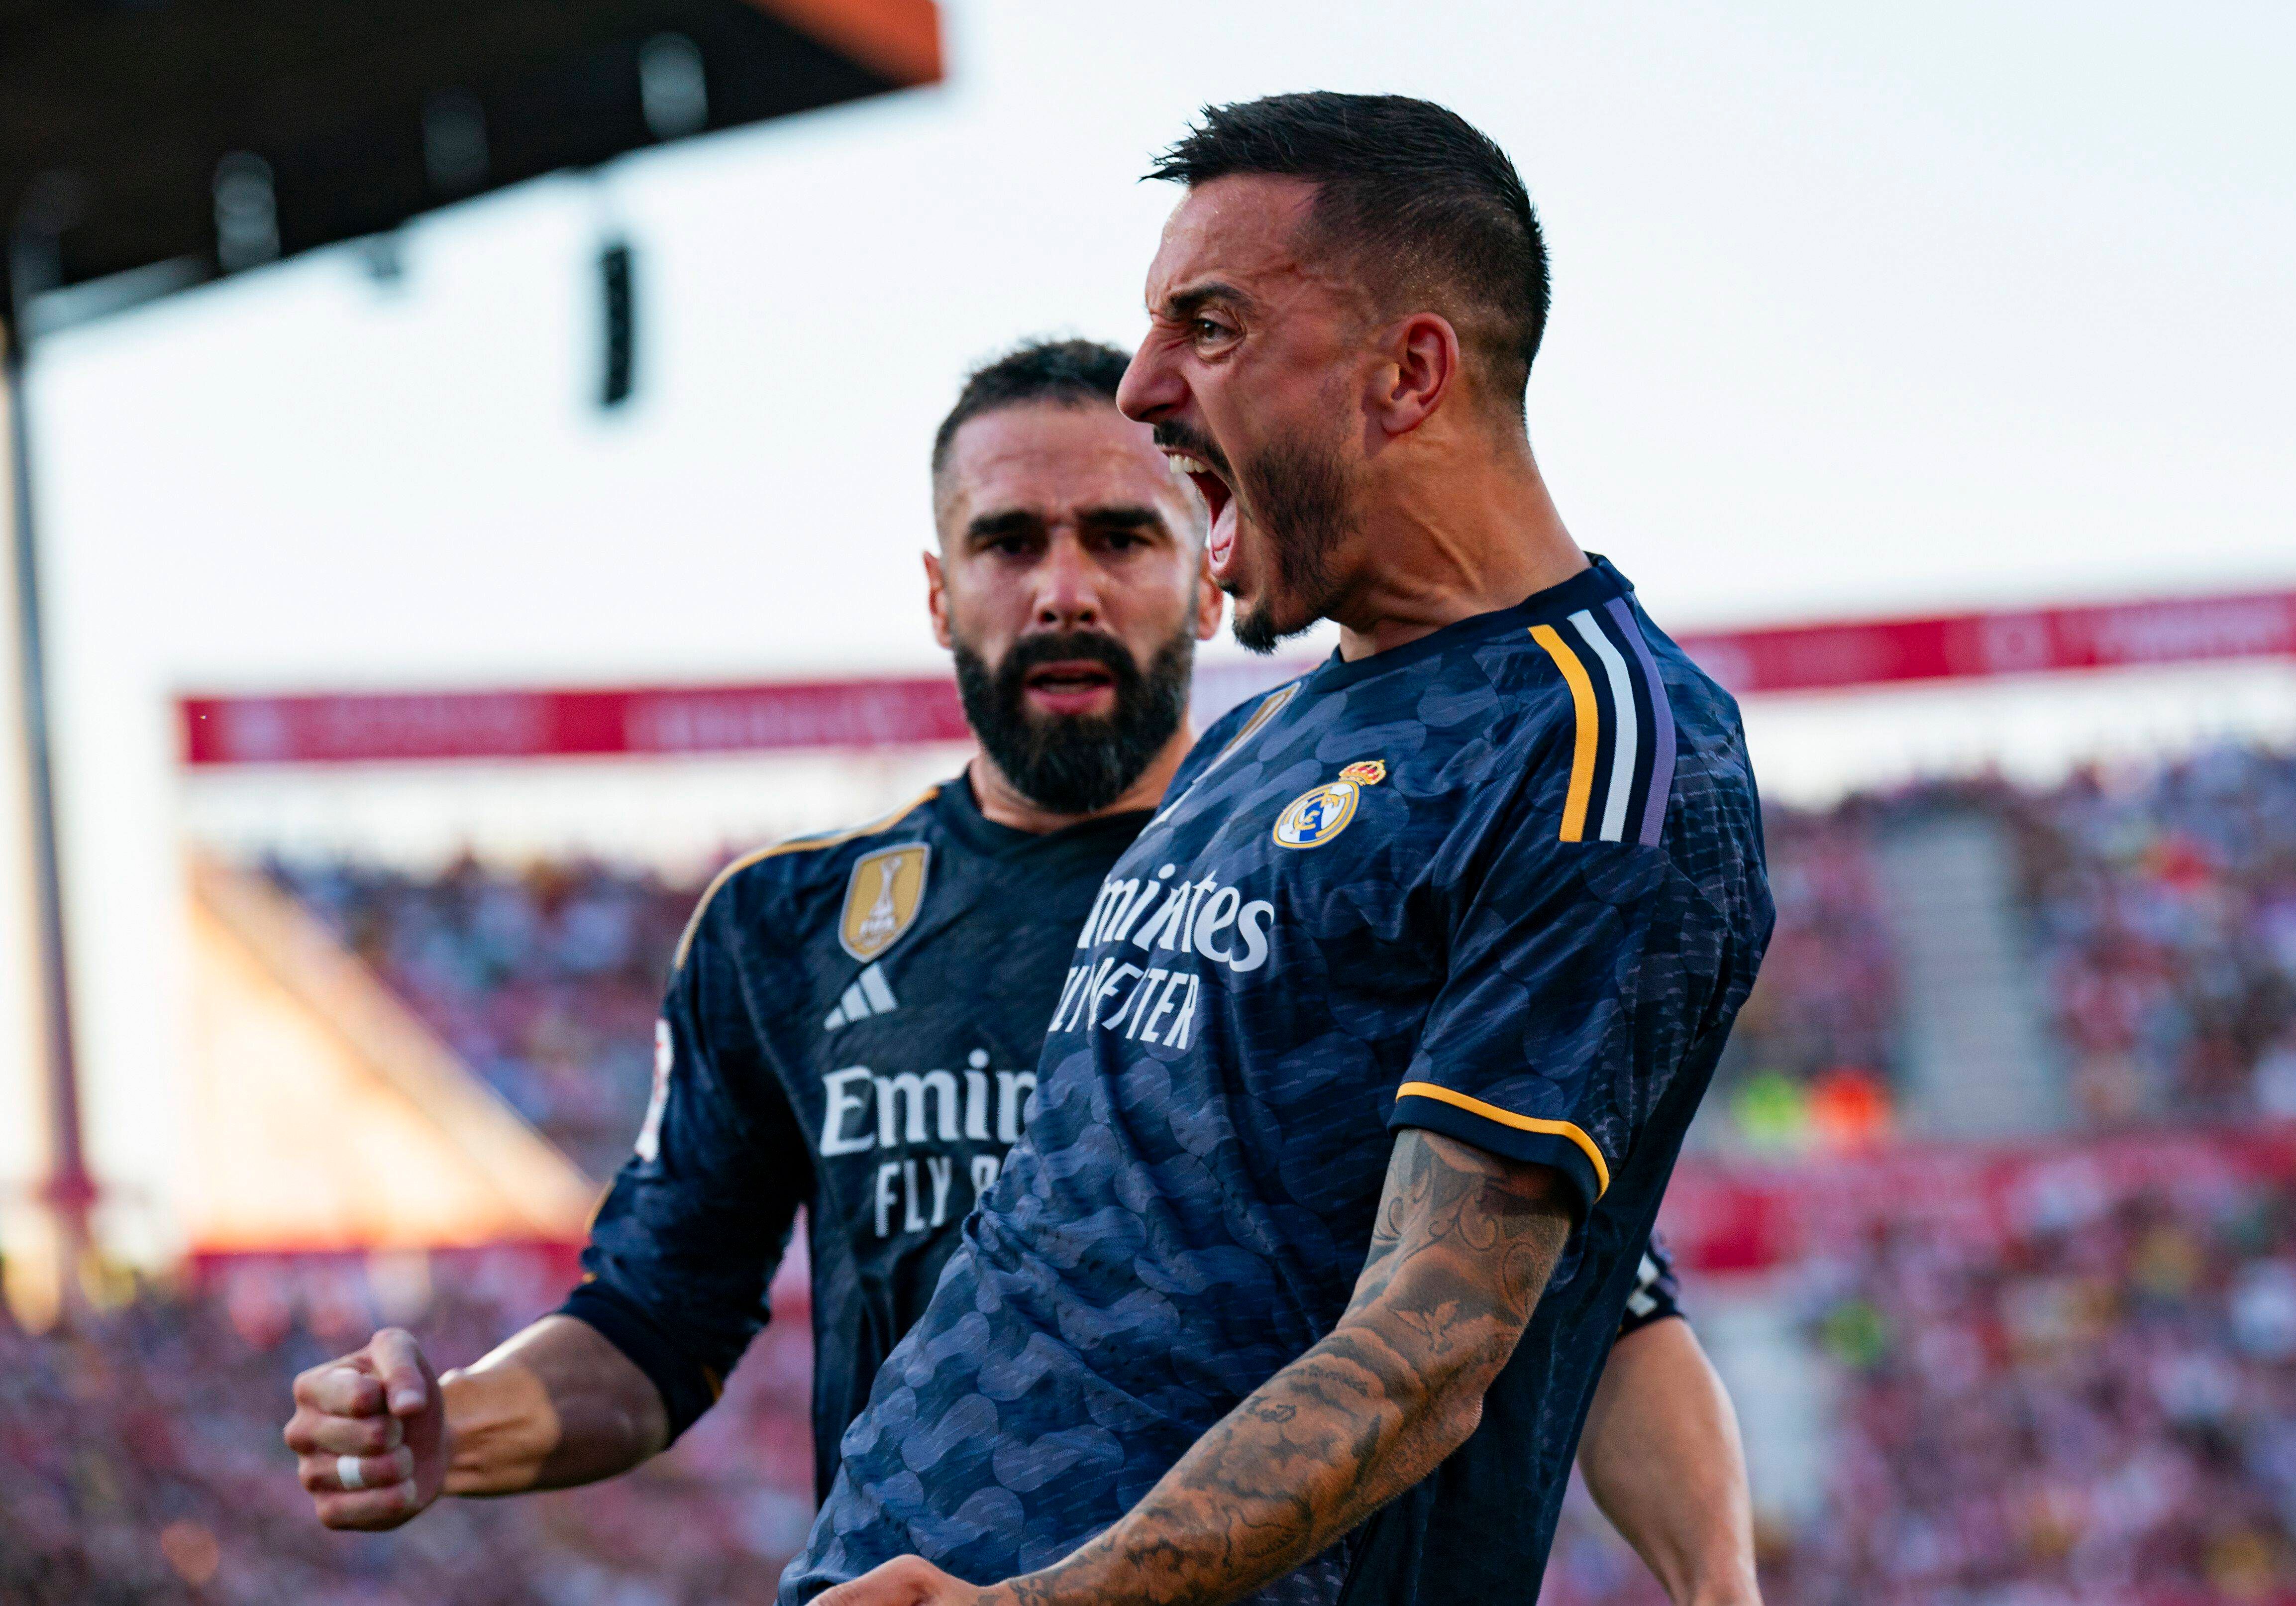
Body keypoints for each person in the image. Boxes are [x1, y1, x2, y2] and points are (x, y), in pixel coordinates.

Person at [279, 337, 1758, 1605]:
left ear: (1206, 574)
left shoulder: (1350, 873)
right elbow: (656, 1327)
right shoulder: (782, 928)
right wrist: (454, 1426)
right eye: (1008, 543)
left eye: (1119, 538)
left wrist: (1719, 1589)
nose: (1063, 589)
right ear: (939, 593)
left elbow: (1592, 1301)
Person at [799, 95, 1774, 1606]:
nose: (1141, 388)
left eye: (1209, 326)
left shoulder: (1601, 749)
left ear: (1410, 373)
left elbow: (1429, 1349)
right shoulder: (1257, 739)